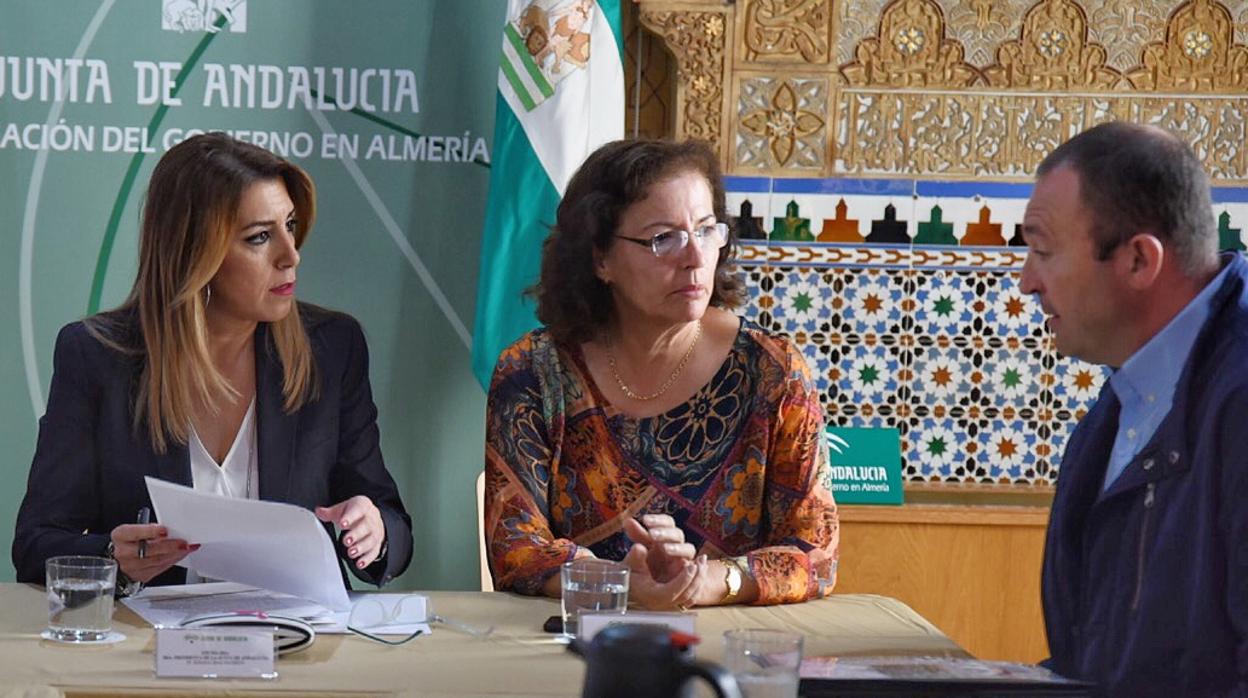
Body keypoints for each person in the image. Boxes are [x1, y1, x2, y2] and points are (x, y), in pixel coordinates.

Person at [12, 133, 412, 593]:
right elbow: (35, 545)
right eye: (260, 237)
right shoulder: (97, 356)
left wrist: (374, 530)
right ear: (194, 253)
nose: (291, 254)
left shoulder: (333, 348)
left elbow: (392, 525)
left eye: (290, 225)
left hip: (299, 646)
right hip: (151, 651)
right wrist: (112, 557)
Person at [483, 139, 839, 608]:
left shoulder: (773, 371)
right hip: (580, 652)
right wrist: (616, 582)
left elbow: (815, 553)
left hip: (734, 653)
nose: (695, 257)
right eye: (662, 238)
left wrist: (709, 581)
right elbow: (516, 548)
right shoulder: (532, 372)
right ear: (601, 259)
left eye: (707, 231)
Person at [1021, 122, 1248, 696]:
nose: (1026, 282)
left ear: (1139, 262)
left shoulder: (1237, 401)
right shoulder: (1120, 405)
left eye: (1043, 251)